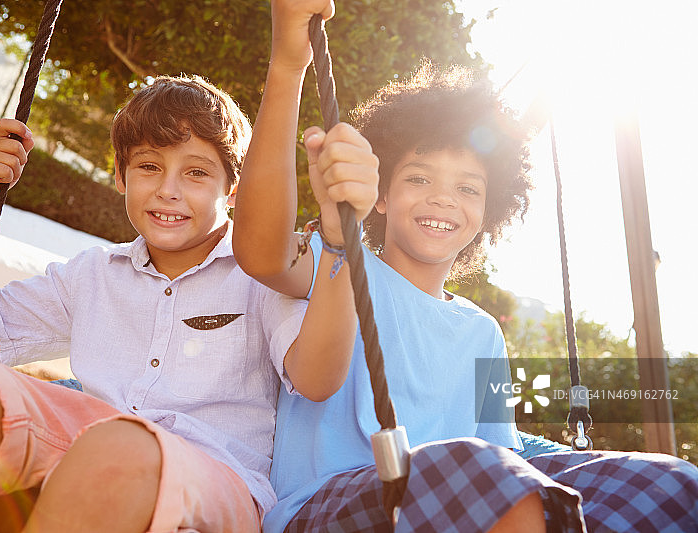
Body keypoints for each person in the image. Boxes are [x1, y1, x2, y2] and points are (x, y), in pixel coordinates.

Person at [233, 1, 698, 532]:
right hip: (330, 504)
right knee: (481, 472)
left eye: (468, 188)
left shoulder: (483, 334)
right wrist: (288, 64)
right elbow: (260, 251)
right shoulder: (336, 260)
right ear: (380, 195)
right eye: (419, 178)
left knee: (670, 484)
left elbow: (508, 452)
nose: (444, 200)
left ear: (487, 212)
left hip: (470, 491)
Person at [0, 75, 321, 533]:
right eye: (149, 167)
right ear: (120, 176)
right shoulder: (93, 274)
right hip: (94, 442)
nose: (168, 190)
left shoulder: (263, 276)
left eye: (196, 172)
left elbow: (314, 374)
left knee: (120, 446)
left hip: (213, 479)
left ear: (235, 190)